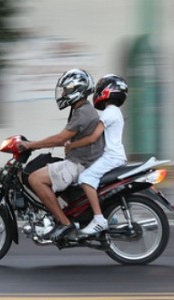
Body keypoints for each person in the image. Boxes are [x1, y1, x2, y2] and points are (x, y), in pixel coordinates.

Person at [18, 69, 105, 241]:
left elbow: (59, 139)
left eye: (66, 90)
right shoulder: (81, 110)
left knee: (35, 179)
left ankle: (65, 224)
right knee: (41, 163)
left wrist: (30, 145)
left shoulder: (83, 113)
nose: (63, 93)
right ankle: (64, 212)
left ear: (76, 91)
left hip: (80, 164)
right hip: (81, 160)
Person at [65, 74, 128, 235]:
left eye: (99, 90)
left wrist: (72, 145)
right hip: (114, 156)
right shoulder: (115, 112)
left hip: (111, 157)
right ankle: (107, 216)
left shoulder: (109, 112)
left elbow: (93, 138)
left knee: (85, 179)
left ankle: (99, 219)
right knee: (96, 183)